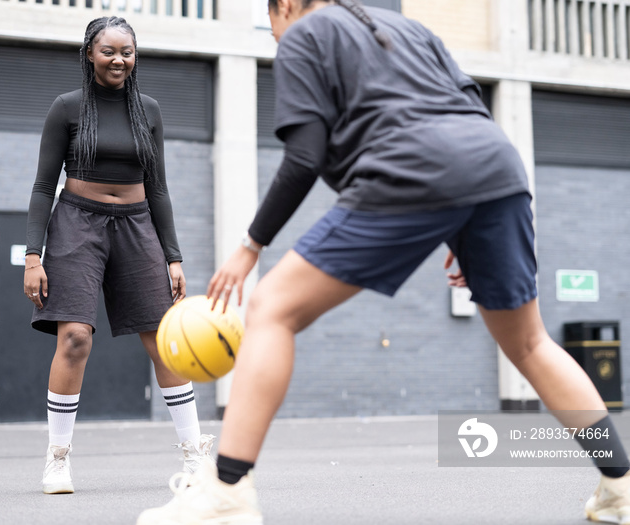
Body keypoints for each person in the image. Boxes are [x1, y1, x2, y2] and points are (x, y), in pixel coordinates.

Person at [137, 1, 630, 524]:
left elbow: (305, 155)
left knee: (271, 309)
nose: (277, 37)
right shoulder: (410, 28)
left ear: (283, 7)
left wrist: (250, 244)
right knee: (530, 343)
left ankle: (227, 492)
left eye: (273, 24)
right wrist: (462, 230)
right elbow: (469, 112)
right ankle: (620, 487)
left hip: (412, 168)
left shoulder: (305, 35)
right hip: (496, 169)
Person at [23, 16, 214, 495]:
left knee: (165, 339)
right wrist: (32, 255)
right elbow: (45, 186)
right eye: (108, 51)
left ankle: (194, 458)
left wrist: (173, 256)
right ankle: (58, 460)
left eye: (127, 52)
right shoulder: (66, 108)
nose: (119, 60)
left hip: (137, 225)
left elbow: (159, 188)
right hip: (76, 224)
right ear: (90, 53)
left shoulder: (147, 110)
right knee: (74, 339)